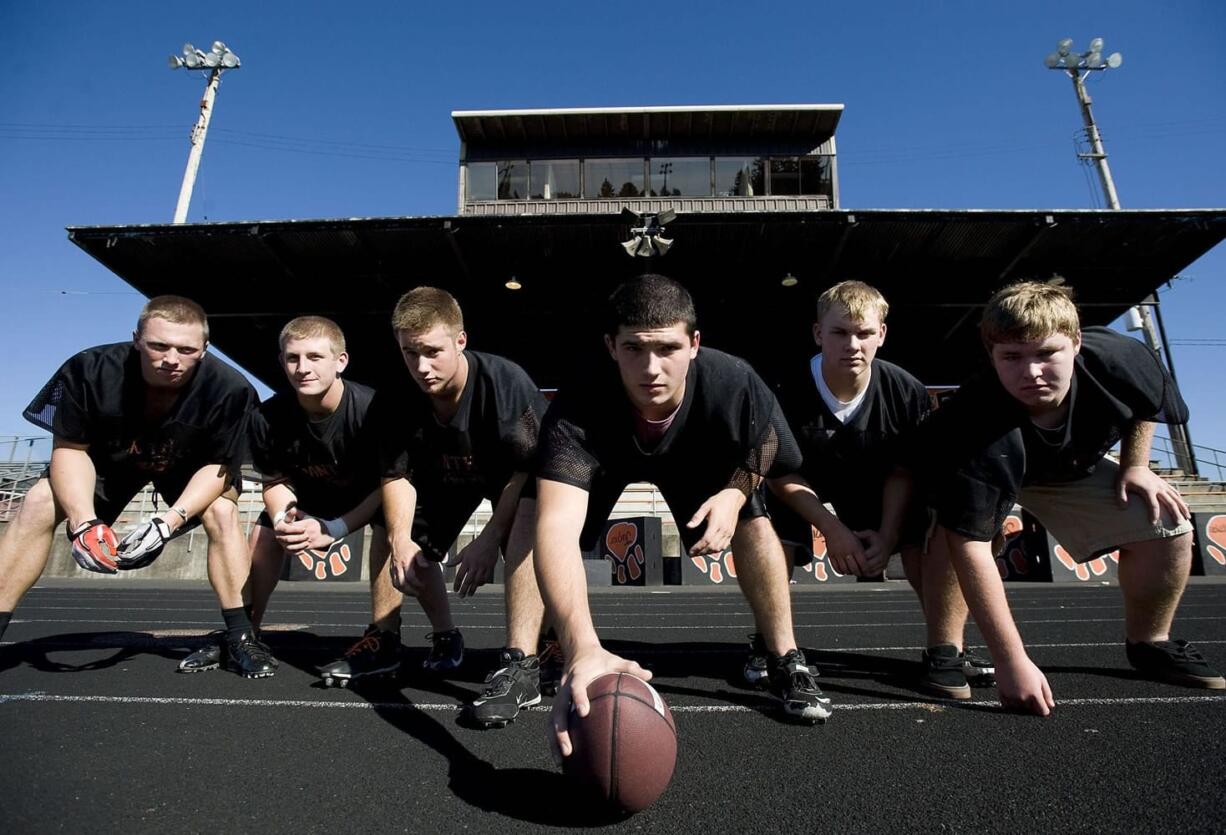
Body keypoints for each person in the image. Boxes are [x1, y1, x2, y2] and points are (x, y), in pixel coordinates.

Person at [536, 273, 830, 759]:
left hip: (695, 461)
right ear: (610, 346)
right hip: (606, 458)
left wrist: (734, 496)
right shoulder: (580, 397)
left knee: (756, 518)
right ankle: (542, 649)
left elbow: (768, 444)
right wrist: (582, 645)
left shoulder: (733, 379)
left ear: (694, 344)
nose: (651, 368)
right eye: (634, 348)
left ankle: (784, 657)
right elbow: (556, 526)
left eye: (668, 348)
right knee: (536, 512)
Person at [913, 280, 1223, 715]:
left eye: (1046, 354)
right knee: (952, 532)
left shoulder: (1123, 357)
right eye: (1012, 357)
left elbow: (1147, 404)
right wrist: (1011, 661)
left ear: (1076, 343)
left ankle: (1150, 640)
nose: (1032, 372)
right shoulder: (973, 418)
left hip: (1066, 469)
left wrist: (1136, 466)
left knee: (1165, 519)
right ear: (991, 356)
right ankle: (945, 648)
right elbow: (972, 544)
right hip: (979, 463)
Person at [0, 295, 271, 676]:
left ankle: (242, 637)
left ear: (204, 350)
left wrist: (166, 523)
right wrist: (84, 523)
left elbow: (219, 467)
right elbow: (69, 449)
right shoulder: (89, 369)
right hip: (109, 461)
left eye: (186, 349)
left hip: (188, 467)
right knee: (39, 500)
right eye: (159, 345)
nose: (172, 359)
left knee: (223, 511)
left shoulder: (231, 388)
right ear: (137, 339)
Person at [766, 280, 993, 700]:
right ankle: (775, 647)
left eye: (865, 333)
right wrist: (832, 530)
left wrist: (888, 534)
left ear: (882, 335)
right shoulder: (782, 388)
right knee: (763, 519)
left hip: (878, 482)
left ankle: (946, 649)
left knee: (937, 513)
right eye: (839, 332)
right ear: (818, 333)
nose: (853, 344)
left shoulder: (905, 390)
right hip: (804, 487)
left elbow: (905, 471)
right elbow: (780, 475)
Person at [176, 316, 407, 686]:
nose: (303, 368)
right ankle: (243, 634)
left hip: (371, 499)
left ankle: (384, 636)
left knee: (390, 524)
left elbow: (391, 483)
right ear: (281, 362)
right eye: (293, 358)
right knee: (267, 534)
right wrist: (285, 518)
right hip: (309, 499)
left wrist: (335, 528)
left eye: (315, 357)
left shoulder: (373, 409)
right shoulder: (268, 416)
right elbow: (275, 481)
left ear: (341, 361)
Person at [378, 287, 552, 727]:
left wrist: (489, 538)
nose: (421, 366)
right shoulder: (397, 394)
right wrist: (402, 540)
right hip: (444, 473)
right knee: (392, 530)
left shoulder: (506, 383)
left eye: (433, 351)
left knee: (528, 521)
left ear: (460, 341)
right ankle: (430, 637)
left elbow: (528, 472)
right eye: (409, 352)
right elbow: (396, 474)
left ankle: (521, 663)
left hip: (510, 477)